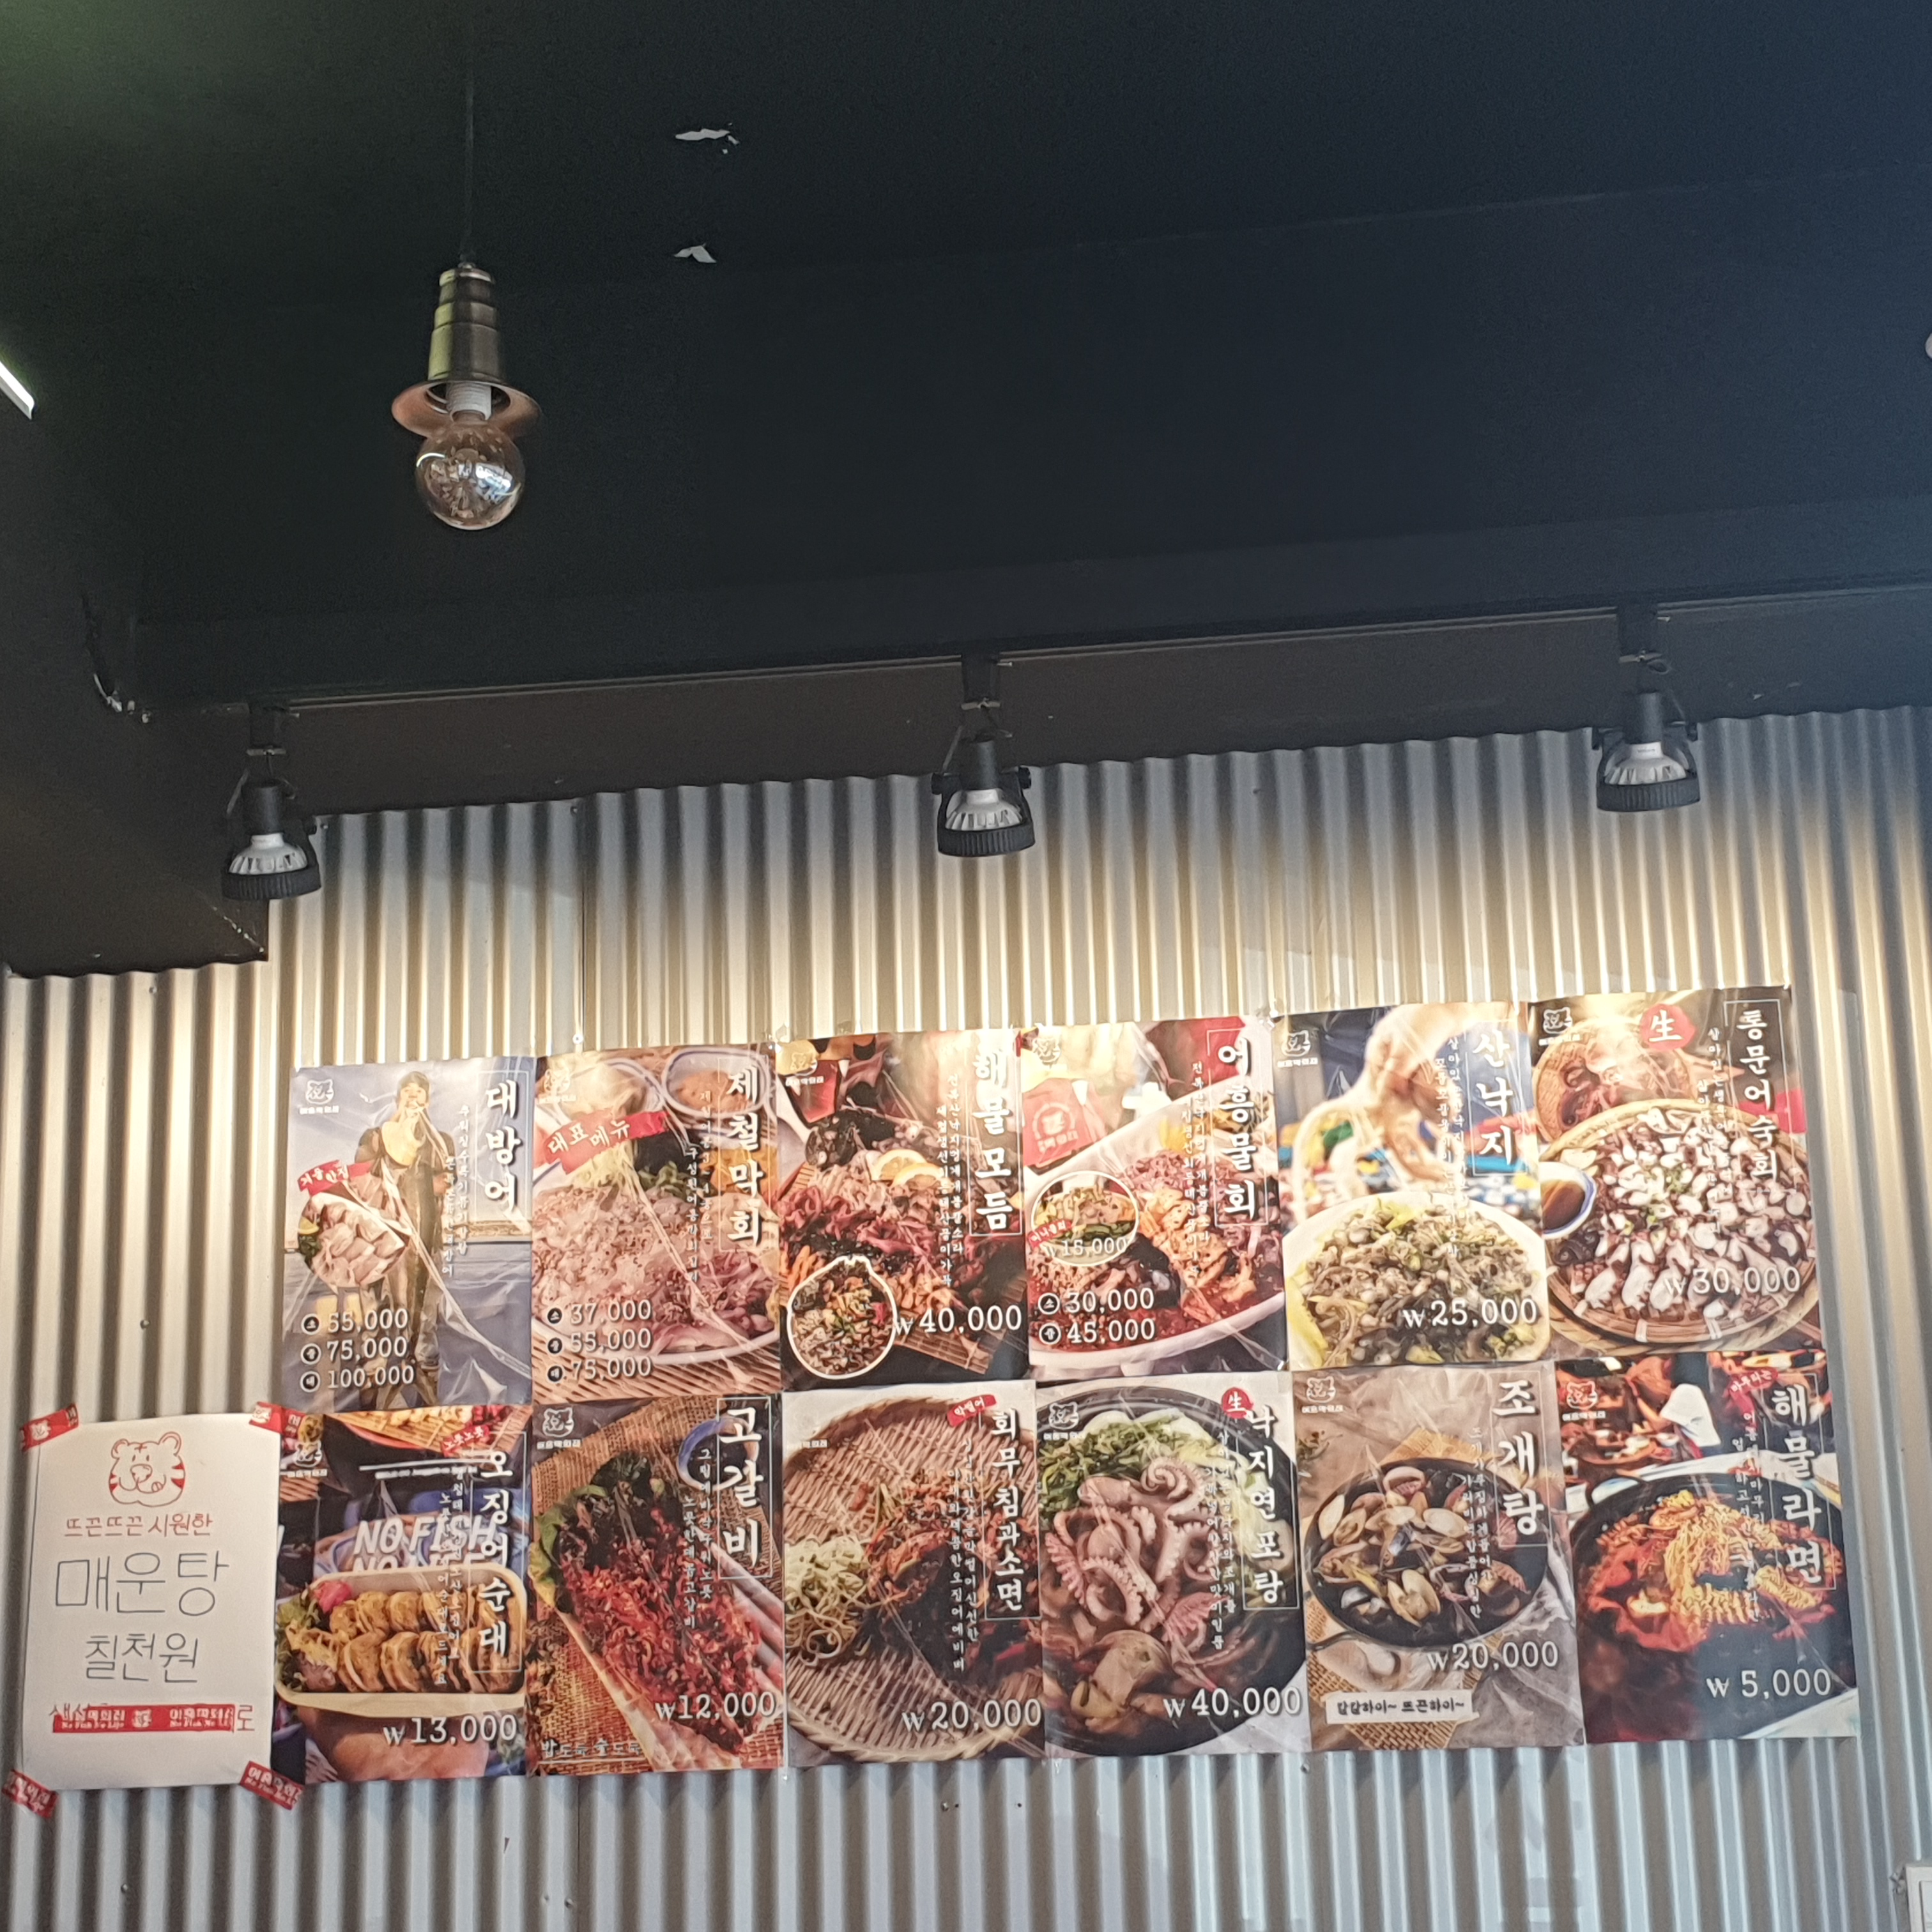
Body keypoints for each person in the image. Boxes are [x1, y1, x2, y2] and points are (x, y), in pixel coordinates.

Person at [354, 1071, 452, 1406]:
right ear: (398, 1098)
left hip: (426, 1247)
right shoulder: (375, 1137)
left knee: (425, 1322)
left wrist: (439, 1184)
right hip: (382, 1248)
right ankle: (371, 1395)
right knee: (377, 1318)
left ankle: (426, 1394)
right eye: (407, 1091)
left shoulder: (441, 1142)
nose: (413, 1096)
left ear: (428, 1100)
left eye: (419, 1092)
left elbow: (448, 1184)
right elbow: (360, 1179)